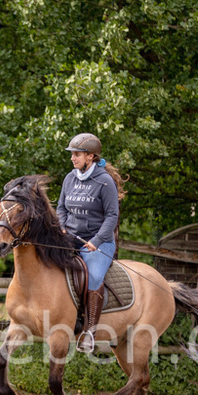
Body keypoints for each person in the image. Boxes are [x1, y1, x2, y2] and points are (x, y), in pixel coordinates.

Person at [56, 133, 126, 354]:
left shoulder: (104, 181)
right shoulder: (70, 178)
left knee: (93, 276)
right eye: (72, 154)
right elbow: (61, 208)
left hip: (99, 243)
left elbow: (112, 216)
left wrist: (96, 241)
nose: (72, 158)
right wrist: (62, 226)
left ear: (90, 156)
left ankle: (90, 332)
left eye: (76, 154)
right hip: (71, 239)